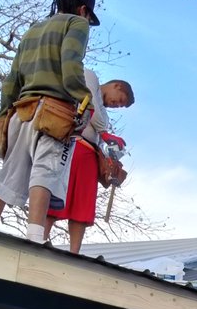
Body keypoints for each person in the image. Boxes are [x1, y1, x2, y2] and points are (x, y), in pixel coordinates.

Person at [0, 0, 100, 243]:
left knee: (8, 174)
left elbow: (12, 79)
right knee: (44, 174)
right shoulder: (76, 24)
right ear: (83, 10)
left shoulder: (33, 30)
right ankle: (34, 239)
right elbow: (71, 63)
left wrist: (4, 114)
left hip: (21, 112)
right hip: (53, 114)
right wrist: (84, 99)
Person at [46, 72, 134, 253]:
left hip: (90, 154)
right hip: (70, 145)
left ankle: (74, 252)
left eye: (120, 106)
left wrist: (111, 157)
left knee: (82, 206)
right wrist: (105, 133)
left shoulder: (105, 117)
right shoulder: (90, 78)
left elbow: (99, 128)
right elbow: (90, 105)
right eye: (119, 100)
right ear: (117, 85)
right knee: (56, 196)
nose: (116, 105)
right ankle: (38, 238)